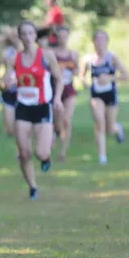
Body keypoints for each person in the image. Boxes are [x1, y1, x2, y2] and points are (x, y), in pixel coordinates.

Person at [13, 20, 63, 200]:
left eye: (30, 33)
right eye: (23, 33)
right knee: (24, 153)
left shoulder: (46, 56)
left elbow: (59, 79)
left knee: (40, 152)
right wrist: (6, 85)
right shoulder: (15, 58)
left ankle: (46, 156)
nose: (27, 37)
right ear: (20, 37)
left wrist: (57, 98)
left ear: (35, 35)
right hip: (23, 108)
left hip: (42, 107)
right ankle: (33, 186)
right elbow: (5, 82)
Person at [79, 30, 129, 164]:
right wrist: (86, 83)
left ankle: (118, 129)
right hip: (96, 95)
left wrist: (109, 78)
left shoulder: (112, 58)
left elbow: (126, 76)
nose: (99, 43)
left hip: (110, 95)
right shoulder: (88, 59)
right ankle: (102, 157)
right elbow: (82, 76)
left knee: (109, 128)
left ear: (107, 42)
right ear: (93, 42)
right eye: (97, 40)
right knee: (99, 123)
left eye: (102, 40)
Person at [52, 26, 79, 161]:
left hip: (69, 90)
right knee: (57, 124)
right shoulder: (52, 53)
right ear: (57, 38)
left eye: (65, 36)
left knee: (66, 120)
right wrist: (57, 71)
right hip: (55, 90)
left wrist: (70, 71)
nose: (63, 39)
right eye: (60, 37)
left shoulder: (73, 54)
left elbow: (77, 70)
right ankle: (56, 134)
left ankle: (63, 151)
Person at [0, 25, 20, 136]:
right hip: (8, 91)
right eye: (15, 36)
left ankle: (22, 150)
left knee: (22, 126)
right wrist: (3, 81)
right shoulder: (6, 53)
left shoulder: (29, 52)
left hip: (24, 91)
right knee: (10, 130)